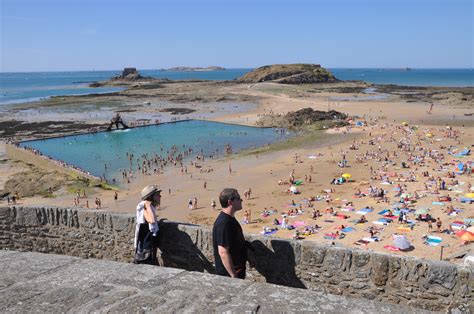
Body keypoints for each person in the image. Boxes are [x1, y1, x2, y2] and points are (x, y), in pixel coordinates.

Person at [212, 188, 247, 279]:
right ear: (230, 202)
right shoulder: (224, 223)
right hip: (228, 275)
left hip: (237, 269)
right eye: (238, 198)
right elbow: (223, 252)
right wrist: (233, 275)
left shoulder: (229, 219)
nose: (241, 200)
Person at [134, 185, 161, 265]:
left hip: (146, 240)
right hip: (145, 243)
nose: (160, 196)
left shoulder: (147, 206)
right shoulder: (145, 206)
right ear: (151, 197)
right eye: (157, 194)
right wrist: (148, 205)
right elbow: (152, 220)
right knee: (146, 263)